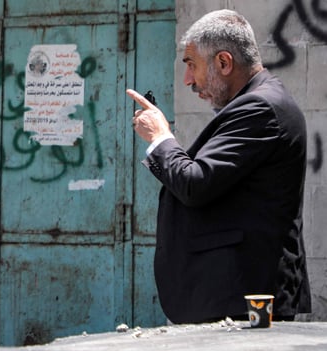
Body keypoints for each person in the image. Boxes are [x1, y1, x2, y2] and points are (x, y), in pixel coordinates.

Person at [126, 9, 311, 324]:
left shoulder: (260, 107)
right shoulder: (259, 102)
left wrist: (160, 137)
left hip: (243, 296)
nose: (187, 80)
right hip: (235, 294)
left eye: (191, 65)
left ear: (224, 63)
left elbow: (195, 183)